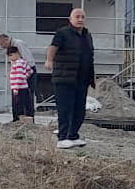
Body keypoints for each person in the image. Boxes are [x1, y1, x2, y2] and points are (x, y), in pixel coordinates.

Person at [45, 8, 94, 149]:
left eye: (82, 17)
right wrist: (49, 60)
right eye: (77, 17)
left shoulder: (87, 35)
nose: (80, 19)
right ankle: (62, 138)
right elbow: (53, 47)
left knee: (79, 110)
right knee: (65, 109)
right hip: (65, 78)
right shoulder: (62, 33)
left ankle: (73, 135)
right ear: (70, 19)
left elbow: (90, 55)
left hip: (82, 79)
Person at [0, 33, 36, 107]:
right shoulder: (10, 47)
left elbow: (27, 58)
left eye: (1, 44)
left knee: (27, 95)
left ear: (6, 39)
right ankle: (18, 113)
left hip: (24, 71)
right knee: (17, 97)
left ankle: (26, 113)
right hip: (18, 72)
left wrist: (25, 73)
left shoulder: (19, 44)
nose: (1, 46)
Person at [7, 45, 33, 123]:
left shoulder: (18, 63)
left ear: (17, 53)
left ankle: (17, 120)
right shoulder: (22, 61)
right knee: (23, 103)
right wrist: (25, 77)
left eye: (11, 55)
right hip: (23, 86)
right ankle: (22, 119)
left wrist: (16, 88)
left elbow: (19, 76)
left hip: (18, 88)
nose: (10, 58)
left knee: (17, 105)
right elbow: (30, 71)